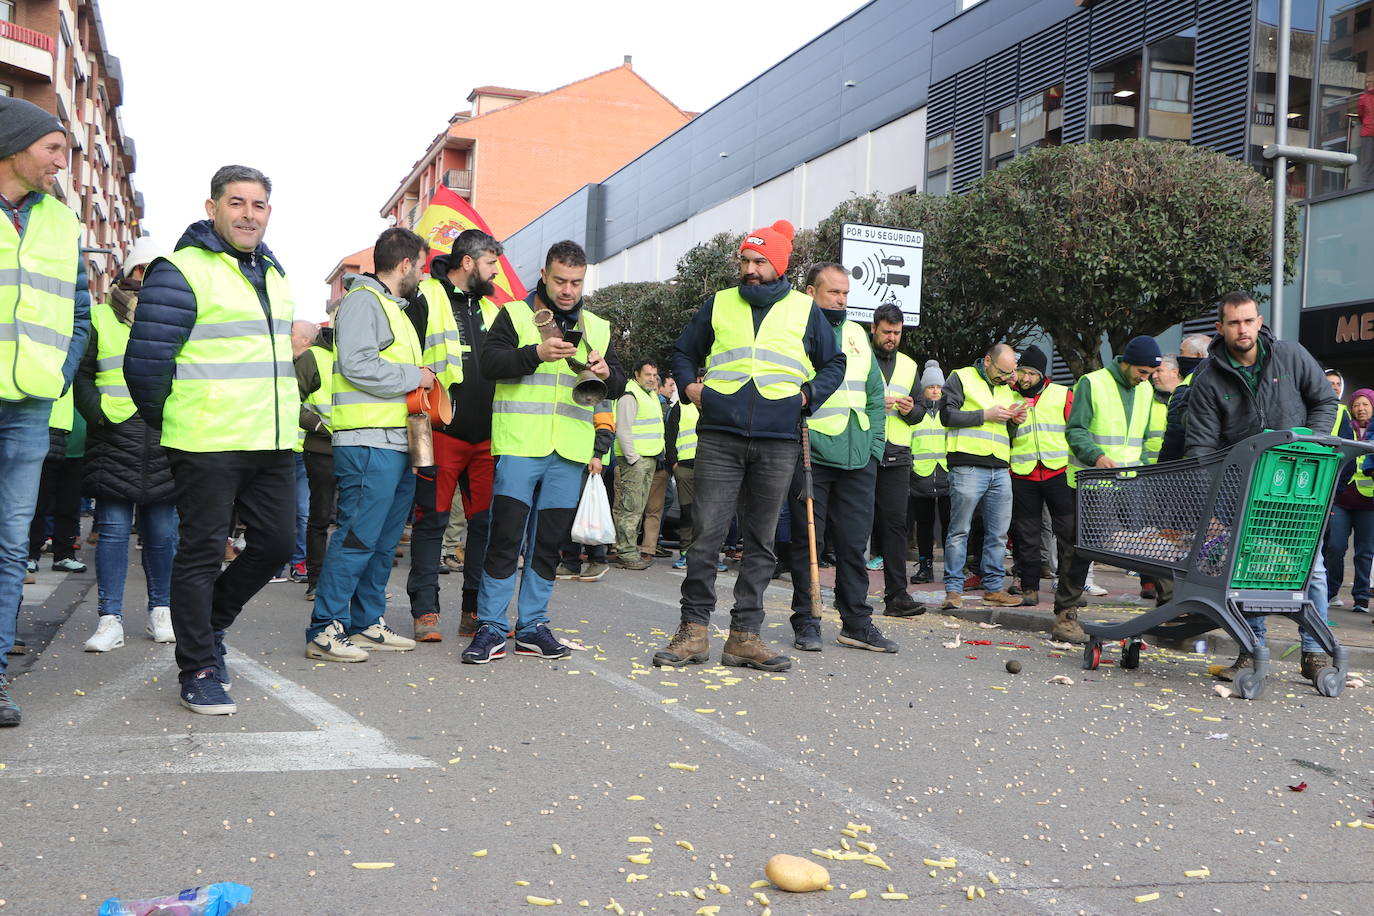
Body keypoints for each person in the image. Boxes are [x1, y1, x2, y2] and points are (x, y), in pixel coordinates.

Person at [126, 164, 298, 716]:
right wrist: (179, 418)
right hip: (206, 440)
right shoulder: (180, 270)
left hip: (270, 441)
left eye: (259, 205)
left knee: (274, 545)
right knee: (200, 555)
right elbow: (146, 366)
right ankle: (198, 667)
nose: (249, 214)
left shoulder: (273, 271)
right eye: (237, 203)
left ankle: (209, 625)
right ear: (213, 208)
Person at [655, 220, 844, 671]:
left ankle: (744, 636)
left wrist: (808, 396)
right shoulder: (719, 303)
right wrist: (690, 387)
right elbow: (684, 352)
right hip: (719, 436)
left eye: (759, 261)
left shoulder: (804, 309)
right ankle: (693, 632)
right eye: (745, 260)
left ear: (779, 265)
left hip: (778, 440)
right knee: (706, 535)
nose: (750, 269)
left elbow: (834, 363)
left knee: (761, 540)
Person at [464, 240, 626, 664]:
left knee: (548, 544)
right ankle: (492, 626)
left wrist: (609, 372)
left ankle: (533, 625)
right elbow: (490, 364)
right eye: (560, 281)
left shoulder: (598, 326)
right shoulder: (515, 313)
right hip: (520, 446)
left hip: (569, 452)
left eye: (575, 282)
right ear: (543, 274)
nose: (568, 289)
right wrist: (535, 353)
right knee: (505, 538)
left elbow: (618, 385)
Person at [1183, 292, 1338, 681]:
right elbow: (1201, 447)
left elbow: (1324, 402)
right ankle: (1252, 650)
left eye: (1248, 321)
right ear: (1220, 328)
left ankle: (1315, 652)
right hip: (1244, 489)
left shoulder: (1291, 355)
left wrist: (1311, 446)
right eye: (1234, 323)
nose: (1243, 330)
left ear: (1259, 321)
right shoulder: (1208, 377)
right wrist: (1215, 505)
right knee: (1247, 569)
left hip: (1300, 485)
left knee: (1312, 569)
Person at [0, 98, 91, 727]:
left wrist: (58, 373)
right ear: (14, 145)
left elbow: (79, 313)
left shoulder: (62, 222)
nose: (62, 162)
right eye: (53, 149)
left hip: (31, 403)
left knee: (10, 545)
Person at [305, 228, 432, 662]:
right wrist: (416, 377)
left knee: (380, 541)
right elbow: (358, 364)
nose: (423, 274)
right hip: (367, 443)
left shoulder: (390, 307)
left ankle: (364, 623)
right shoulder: (365, 301)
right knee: (358, 537)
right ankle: (325, 628)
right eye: (422, 266)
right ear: (405, 265)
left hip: (392, 443)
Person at [786, 263, 898, 654]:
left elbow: (873, 394)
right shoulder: (796, 331)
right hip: (811, 453)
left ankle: (856, 622)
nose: (842, 300)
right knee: (808, 544)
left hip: (857, 456)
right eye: (834, 292)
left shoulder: (855, 333)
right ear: (811, 292)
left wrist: (874, 450)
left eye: (846, 293)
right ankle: (807, 619)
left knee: (854, 546)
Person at [74, 237, 179, 651]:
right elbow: (82, 374)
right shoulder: (100, 317)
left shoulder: (174, 318)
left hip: (162, 434)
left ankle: (161, 613)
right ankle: (109, 619)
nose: (146, 280)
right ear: (129, 273)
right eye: (141, 271)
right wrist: (97, 412)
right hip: (114, 436)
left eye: (155, 273)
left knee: (162, 535)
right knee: (114, 532)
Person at [405, 229, 499, 641]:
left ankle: (474, 610)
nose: (495, 271)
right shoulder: (426, 296)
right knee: (431, 522)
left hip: (486, 439)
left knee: (484, 525)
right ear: (468, 263)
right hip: (439, 431)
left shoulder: (494, 310)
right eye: (491, 263)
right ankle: (425, 611)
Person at [1051, 335, 1162, 642]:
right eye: (1142, 371)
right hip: (1092, 481)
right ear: (1125, 363)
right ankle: (1066, 616)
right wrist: (1096, 457)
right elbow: (1075, 430)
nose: (1146, 378)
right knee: (1080, 549)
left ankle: (1169, 611)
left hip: (1131, 481)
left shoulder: (1146, 390)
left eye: (1150, 374)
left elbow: (1140, 438)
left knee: (1154, 543)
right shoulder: (1092, 383)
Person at [938, 344, 1025, 611]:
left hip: (999, 466)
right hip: (967, 465)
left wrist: (1013, 420)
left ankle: (994, 588)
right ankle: (953, 590)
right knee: (959, 531)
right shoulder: (960, 377)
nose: (1006, 377)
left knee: (998, 534)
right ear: (987, 361)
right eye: (1002, 371)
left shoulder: (1004, 387)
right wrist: (985, 415)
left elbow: (1004, 430)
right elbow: (946, 415)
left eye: (1011, 373)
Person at [867, 303, 925, 615]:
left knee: (895, 526)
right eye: (887, 331)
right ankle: (850, 595)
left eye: (897, 332)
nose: (892, 337)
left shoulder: (908, 365)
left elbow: (919, 413)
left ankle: (897, 595)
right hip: (864, 450)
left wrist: (908, 409)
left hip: (898, 454)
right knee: (857, 525)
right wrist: (878, 403)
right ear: (874, 328)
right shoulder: (860, 359)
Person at [1008, 345, 1074, 609]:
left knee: (1067, 534)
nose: (1025, 378)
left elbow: (1075, 430)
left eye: (1031, 374)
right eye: (1022, 371)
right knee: (1027, 535)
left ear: (1042, 375)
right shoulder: (1009, 396)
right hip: (1023, 474)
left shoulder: (1062, 394)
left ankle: (1068, 589)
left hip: (1059, 472)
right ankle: (1030, 587)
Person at [612, 359, 665, 570]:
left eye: (654, 375)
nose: (652, 379)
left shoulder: (649, 395)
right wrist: (633, 458)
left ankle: (629, 550)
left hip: (648, 458)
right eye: (648, 375)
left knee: (637, 507)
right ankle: (626, 552)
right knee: (630, 508)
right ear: (637, 375)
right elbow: (623, 430)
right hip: (636, 460)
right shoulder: (630, 395)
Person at [295, 324, 336, 603]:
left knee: (354, 521)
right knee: (319, 517)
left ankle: (345, 581)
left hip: (358, 446)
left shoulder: (366, 351)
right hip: (322, 448)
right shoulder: (314, 356)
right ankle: (316, 580)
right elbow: (290, 399)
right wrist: (317, 425)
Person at [557, 398, 616, 581]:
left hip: (590, 459)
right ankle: (571, 562)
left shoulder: (596, 386)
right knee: (573, 511)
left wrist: (598, 455)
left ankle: (597, 559)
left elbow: (606, 425)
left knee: (584, 511)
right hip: (574, 456)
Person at [1325, 388, 1372, 613]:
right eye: (1356, 405)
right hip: (1342, 498)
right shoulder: (1345, 427)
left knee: (1365, 551)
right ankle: (1331, 592)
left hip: (1369, 503)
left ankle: (1361, 598)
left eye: (1365, 404)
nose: (1360, 409)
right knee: (1335, 546)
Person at [909, 361, 949, 586]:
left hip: (945, 474)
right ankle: (925, 567)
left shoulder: (948, 412)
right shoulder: (917, 413)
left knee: (949, 524)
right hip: (921, 475)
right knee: (923, 525)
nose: (935, 390)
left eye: (938, 387)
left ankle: (952, 569)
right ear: (923, 389)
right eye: (931, 386)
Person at [1158, 334, 1212, 464]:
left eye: (1182, 352)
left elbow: (1175, 436)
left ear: (1198, 356)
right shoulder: (1218, 381)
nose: (1179, 357)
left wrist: (1161, 469)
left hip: (1186, 468)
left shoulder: (1184, 388)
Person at [639, 375, 676, 560]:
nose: (673, 389)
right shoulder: (661, 406)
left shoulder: (662, 405)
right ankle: (645, 546)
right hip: (647, 459)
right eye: (670, 385)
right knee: (651, 506)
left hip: (656, 460)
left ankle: (646, 546)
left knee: (654, 505)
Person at [1358, 73, 1374, 188]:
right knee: (1368, 162)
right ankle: (1365, 187)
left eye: (1370, 81)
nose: (1368, 84)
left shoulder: (1364, 98)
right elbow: (1361, 115)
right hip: (1368, 133)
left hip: (1367, 131)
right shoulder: (1363, 97)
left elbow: (1361, 115)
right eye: (1367, 82)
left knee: (1368, 161)